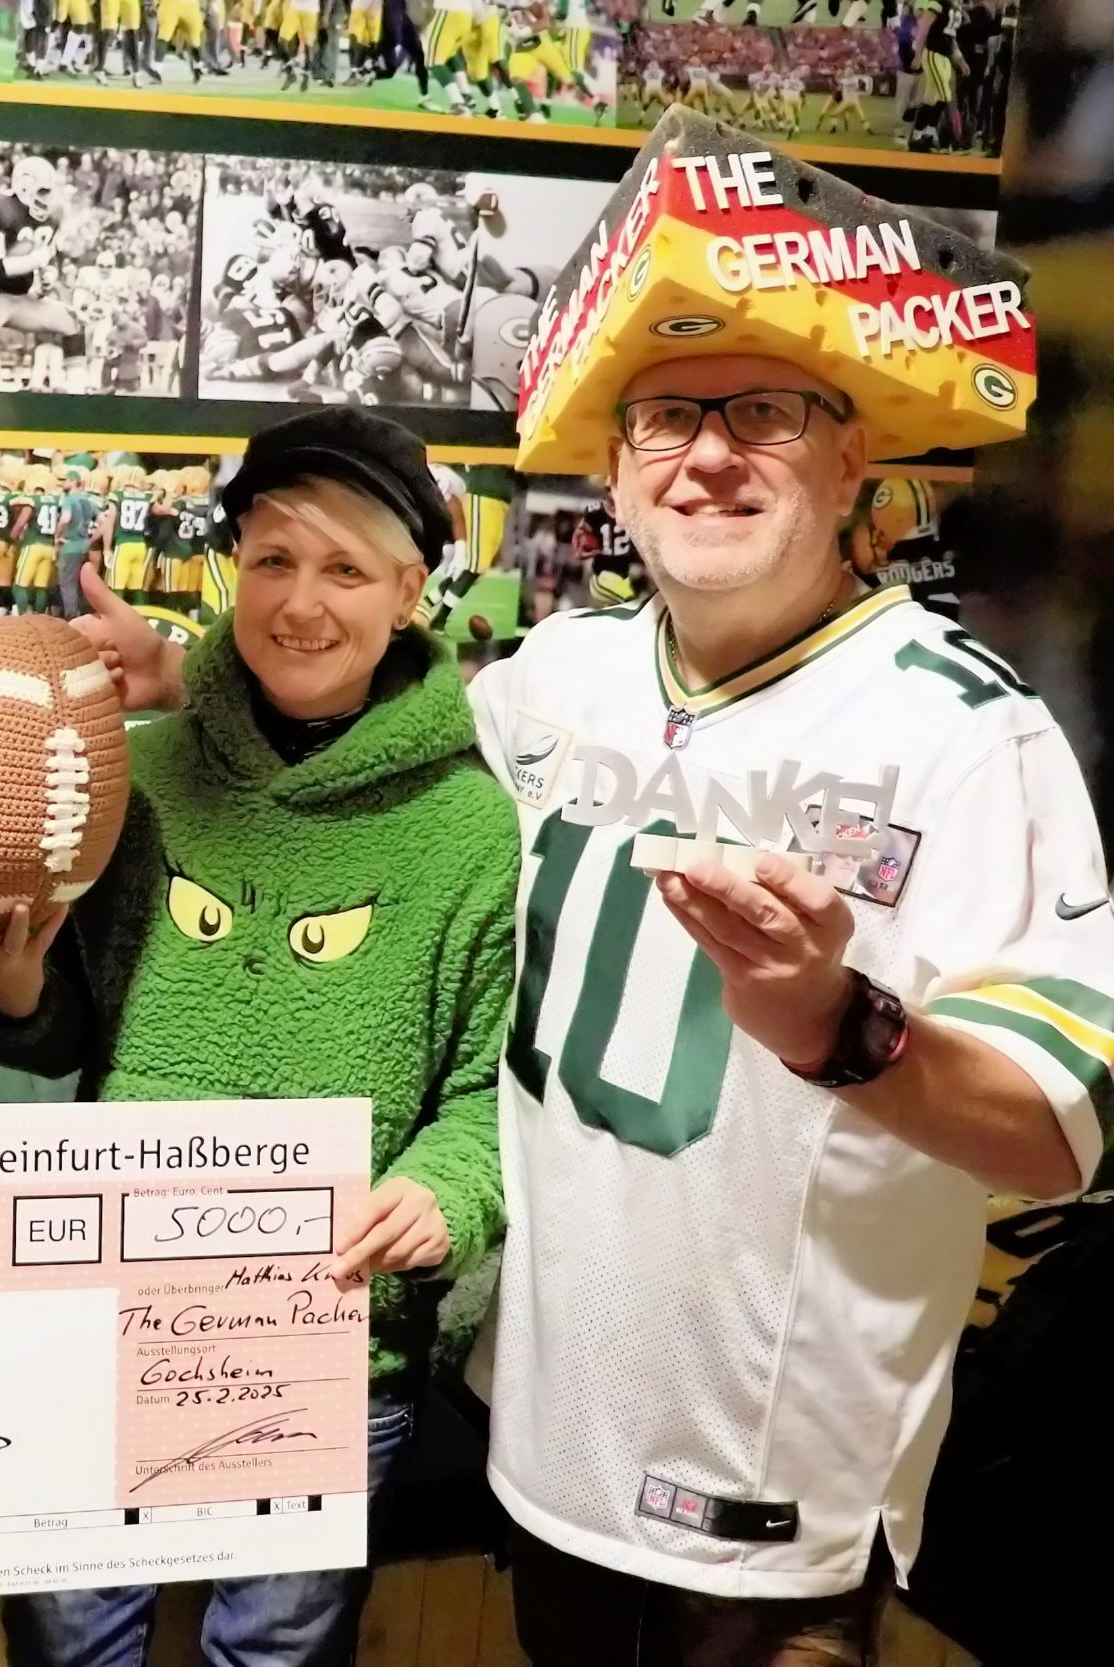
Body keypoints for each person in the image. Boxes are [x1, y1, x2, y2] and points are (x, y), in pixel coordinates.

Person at [108, 120, 1104, 1665]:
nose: (709, 453)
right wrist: (199, 676)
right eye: (664, 420)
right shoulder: (553, 681)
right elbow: (369, 744)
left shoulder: (969, 730)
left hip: (774, 1490)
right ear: (614, 478)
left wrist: (840, 1026)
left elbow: (1053, 1129)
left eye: (764, 413)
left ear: (858, 455)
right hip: (545, 1428)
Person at [0, 408, 517, 1667]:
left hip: (331, 1345)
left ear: (411, 590)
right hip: (97, 1315)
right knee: (69, 1645)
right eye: (272, 559)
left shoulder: (471, 829)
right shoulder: (130, 777)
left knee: (276, 1651)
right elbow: (45, 1050)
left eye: (346, 568)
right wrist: (16, 986)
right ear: (231, 570)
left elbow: (485, 1092)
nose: (301, 603)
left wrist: (444, 1190)